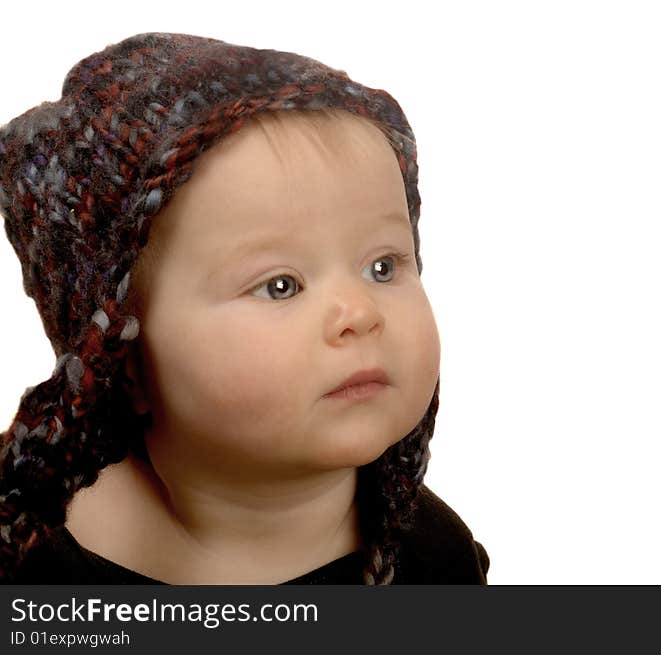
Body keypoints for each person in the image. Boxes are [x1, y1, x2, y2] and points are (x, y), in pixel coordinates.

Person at [0, 32, 489, 584]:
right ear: (124, 360)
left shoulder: (432, 558)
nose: (359, 311)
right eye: (281, 285)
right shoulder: (35, 568)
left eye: (384, 266)